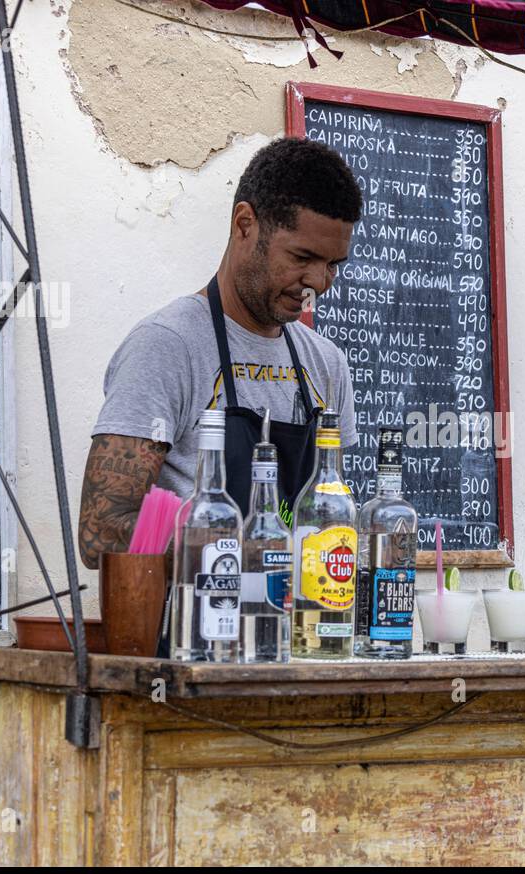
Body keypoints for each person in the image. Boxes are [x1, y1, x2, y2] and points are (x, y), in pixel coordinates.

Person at [78, 137, 362, 569]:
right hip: (191, 631)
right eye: (302, 257)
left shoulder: (327, 365)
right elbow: (101, 532)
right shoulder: (168, 346)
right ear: (244, 224)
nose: (319, 282)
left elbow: (329, 518)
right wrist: (240, 551)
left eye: (333, 265)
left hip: (301, 634)